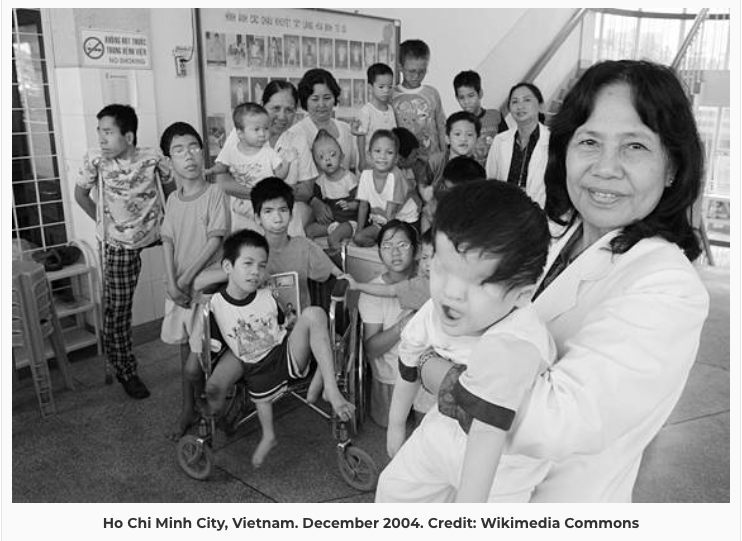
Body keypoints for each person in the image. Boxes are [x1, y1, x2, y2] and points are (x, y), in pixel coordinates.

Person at [411, 59, 711, 502]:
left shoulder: (667, 285)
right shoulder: (553, 235)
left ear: (672, 167)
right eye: (589, 141)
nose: (606, 168)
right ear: (565, 149)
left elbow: (556, 420)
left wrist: (430, 366)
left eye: (635, 147)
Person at [376, 181, 555, 503]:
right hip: (442, 427)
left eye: (479, 282)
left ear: (522, 294)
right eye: (442, 268)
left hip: (503, 460)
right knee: (394, 490)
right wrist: (395, 426)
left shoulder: (516, 344)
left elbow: (486, 432)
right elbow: (408, 365)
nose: (452, 293)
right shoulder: (434, 310)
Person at [203, 230, 355, 467]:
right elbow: (214, 343)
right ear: (228, 267)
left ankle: (332, 391)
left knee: (314, 313)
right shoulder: (215, 304)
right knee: (258, 397)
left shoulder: (267, 295)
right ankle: (268, 435)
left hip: (285, 354)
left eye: (262, 265)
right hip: (254, 367)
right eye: (248, 264)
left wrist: (295, 323)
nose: (256, 271)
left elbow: (284, 323)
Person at [74, 104, 175, 399]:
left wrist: (172, 223)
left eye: (108, 132)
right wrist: (104, 224)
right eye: (99, 132)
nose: (102, 139)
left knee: (186, 281)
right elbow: (80, 195)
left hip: (157, 233)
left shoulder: (153, 157)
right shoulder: (95, 160)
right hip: (118, 241)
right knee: (117, 310)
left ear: (128, 136)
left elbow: (170, 190)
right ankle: (125, 370)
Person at [157, 122, 230, 440]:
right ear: (168, 161)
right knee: (183, 349)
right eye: (178, 150)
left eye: (193, 147)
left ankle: (212, 408)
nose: (188, 156)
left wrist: (185, 279)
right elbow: (167, 243)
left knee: (203, 356)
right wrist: (171, 283)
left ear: (203, 152)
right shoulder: (172, 201)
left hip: (206, 291)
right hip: (180, 290)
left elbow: (215, 242)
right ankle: (188, 408)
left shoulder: (215, 193)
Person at [214, 81, 315, 233]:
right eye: (276, 108)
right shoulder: (240, 134)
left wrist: (271, 200)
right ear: (262, 105)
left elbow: (307, 190)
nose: (282, 116)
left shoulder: (297, 138)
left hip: (284, 215)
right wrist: (263, 195)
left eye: (289, 110)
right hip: (244, 214)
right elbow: (222, 182)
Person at [357, 220, 418, 428]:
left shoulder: (427, 280)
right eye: (387, 246)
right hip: (392, 373)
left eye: (403, 245)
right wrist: (405, 325)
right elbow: (371, 350)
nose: (395, 253)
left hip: (426, 367)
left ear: (416, 249)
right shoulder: (372, 292)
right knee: (387, 423)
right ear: (379, 252)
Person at [210, 102, 295, 234]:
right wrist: (209, 171)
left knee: (268, 228)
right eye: (256, 129)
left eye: (266, 129)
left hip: (263, 202)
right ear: (240, 134)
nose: (262, 134)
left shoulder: (268, 153)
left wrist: (287, 163)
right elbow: (221, 167)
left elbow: (280, 175)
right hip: (238, 202)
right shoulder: (232, 151)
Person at [485, 82, 549, 207]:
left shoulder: (554, 142)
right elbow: (491, 179)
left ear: (541, 106)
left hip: (539, 213)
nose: (520, 106)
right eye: (514, 102)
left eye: (527, 100)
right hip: (505, 211)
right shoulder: (499, 140)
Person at [353, 130, 419, 247]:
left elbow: (391, 214)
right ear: (369, 155)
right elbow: (363, 206)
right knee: (358, 238)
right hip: (382, 222)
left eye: (389, 152)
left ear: (396, 158)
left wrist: (388, 240)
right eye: (377, 151)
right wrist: (358, 231)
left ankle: (384, 242)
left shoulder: (395, 176)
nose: (382, 156)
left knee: (396, 244)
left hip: (404, 221)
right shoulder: (366, 174)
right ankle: (380, 241)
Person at [304, 130, 359, 253]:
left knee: (333, 238)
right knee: (309, 231)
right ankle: (312, 254)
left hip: (349, 222)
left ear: (342, 157)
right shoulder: (320, 182)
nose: (328, 159)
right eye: (321, 157)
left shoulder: (349, 178)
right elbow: (317, 202)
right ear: (316, 164)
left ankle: (338, 259)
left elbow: (360, 203)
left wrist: (350, 205)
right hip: (332, 223)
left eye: (333, 154)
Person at [391, 39, 447, 155]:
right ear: (400, 67)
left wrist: (445, 154)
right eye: (411, 71)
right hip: (403, 159)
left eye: (422, 71)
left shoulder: (432, 93)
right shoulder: (391, 95)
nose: (416, 76)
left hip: (431, 160)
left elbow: (441, 127)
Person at [453, 70, 507, 168]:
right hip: (471, 177)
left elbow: (507, 145)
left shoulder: (495, 116)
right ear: (457, 98)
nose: (466, 102)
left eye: (471, 96)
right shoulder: (456, 123)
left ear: (480, 93)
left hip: (496, 174)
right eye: (461, 97)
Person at [421, 155, 485, 233]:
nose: (450, 196)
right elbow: (426, 215)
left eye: (456, 193)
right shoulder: (438, 200)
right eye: (446, 187)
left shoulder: (483, 217)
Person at [353, 63, 397, 170]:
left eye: (390, 86)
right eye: (381, 87)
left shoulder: (391, 109)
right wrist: (362, 160)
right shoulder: (366, 111)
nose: (386, 91)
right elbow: (361, 137)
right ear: (370, 87)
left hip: (387, 162)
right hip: (370, 163)